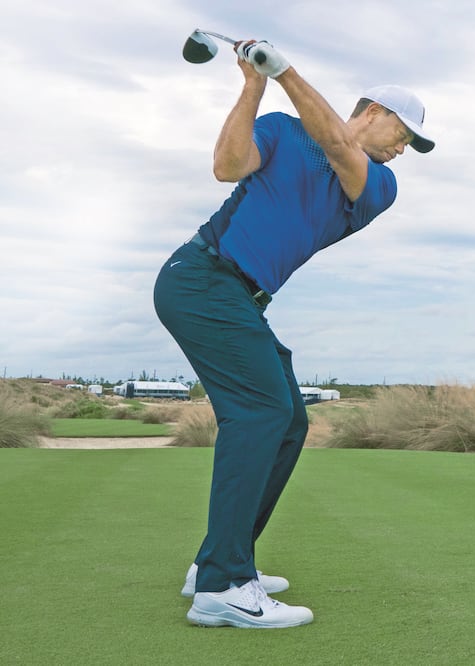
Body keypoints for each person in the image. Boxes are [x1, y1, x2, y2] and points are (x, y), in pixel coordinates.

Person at [153, 39, 434, 629]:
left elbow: (335, 141)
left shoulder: (378, 186)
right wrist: (254, 87)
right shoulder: (282, 128)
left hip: (237, 298)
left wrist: (282, 70)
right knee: (259, 413)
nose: (404, 149)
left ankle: (221, 561)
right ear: (373, 111)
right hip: (202, 277)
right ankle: (223, 585)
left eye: (411, 144)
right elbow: (227, 167)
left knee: (288, 420)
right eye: (403, 133)